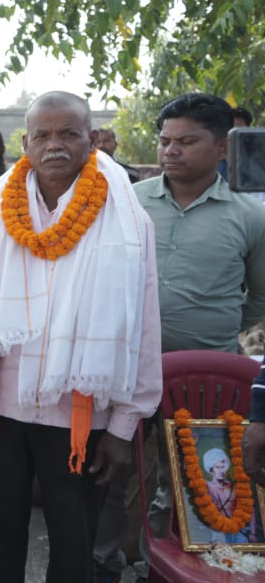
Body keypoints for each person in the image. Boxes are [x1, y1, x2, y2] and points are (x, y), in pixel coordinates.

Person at [0, 91, 162, 583]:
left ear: (92, 139)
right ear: (26, 143)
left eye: (68, 133)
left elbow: (143, 328)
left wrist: (124, 426)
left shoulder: (128, 221)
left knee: (73, 542)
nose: (54, 144)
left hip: (77, 414)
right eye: (42, 134)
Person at [124, 93, 265, 559]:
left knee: (193, 480)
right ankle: (109, 563)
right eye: (165, 140)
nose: (171, 150)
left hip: (204, 378)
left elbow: (260, 297)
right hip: (125, 367)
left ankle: (170, 566)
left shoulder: (250, 215)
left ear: (221, 148)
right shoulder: (129, 202)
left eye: (186, 141)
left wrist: (219, 337)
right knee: (115, 476)